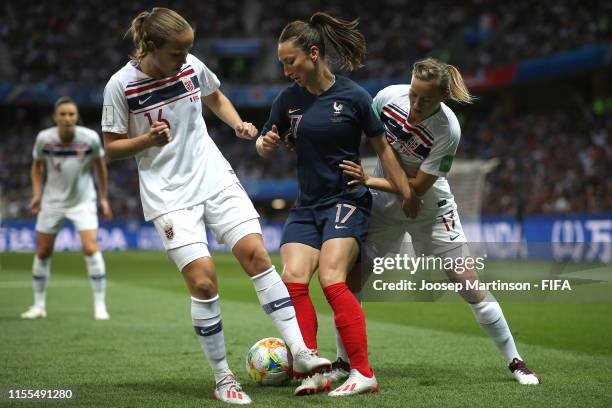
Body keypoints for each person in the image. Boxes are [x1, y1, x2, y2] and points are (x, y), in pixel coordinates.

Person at [101, 7, 330, 405]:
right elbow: (111, 145)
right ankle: (223, 377)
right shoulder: (120, 86)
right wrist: (146, 142)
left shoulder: (190, 64)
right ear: (152, 47)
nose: (184, 59)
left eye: (188, 51)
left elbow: (215, 96)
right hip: (168, 194)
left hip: (213, 176)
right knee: (204, 282)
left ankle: (302, 351)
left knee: (257, 255)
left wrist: (237, 124)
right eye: (176, 53)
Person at [336, 57, 540, 385]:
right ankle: (344, 362)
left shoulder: (448, 129)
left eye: (425, 99)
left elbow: (416, 191)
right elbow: (361, 130)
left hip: (430, 211)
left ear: (441, 98)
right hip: (383, 207)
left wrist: (370, 180)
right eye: (414, 94)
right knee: (350, 282)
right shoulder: (388, 97)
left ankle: (515, 360)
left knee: (468, 282)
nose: (415, 104)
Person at [256, 12, 419, 397]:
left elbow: (385, 150)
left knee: (331, 278)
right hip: (307, 205)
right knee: (292, 280)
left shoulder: (354, 97)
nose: (285, 70)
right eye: (281, 63)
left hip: (346, 201)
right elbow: (267, 139)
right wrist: (264, 144)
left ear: (313, 54)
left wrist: (406, 192)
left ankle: (363, 372)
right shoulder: (287, 100)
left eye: (290, 61)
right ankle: (312, 367)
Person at [21, 96, 113, 321]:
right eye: (62, 114)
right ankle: (38, 305)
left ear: (77, 117)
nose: (67, 118)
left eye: (71, 114)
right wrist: (36, 195)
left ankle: (100, 306)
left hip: (83, 201)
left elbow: (100, 168)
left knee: (90, 248)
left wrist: (103, 197)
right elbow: (37, 167)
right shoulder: (44, 139)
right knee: (43, 252)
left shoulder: (89, 139)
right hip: (52, 202)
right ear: (55, 117)